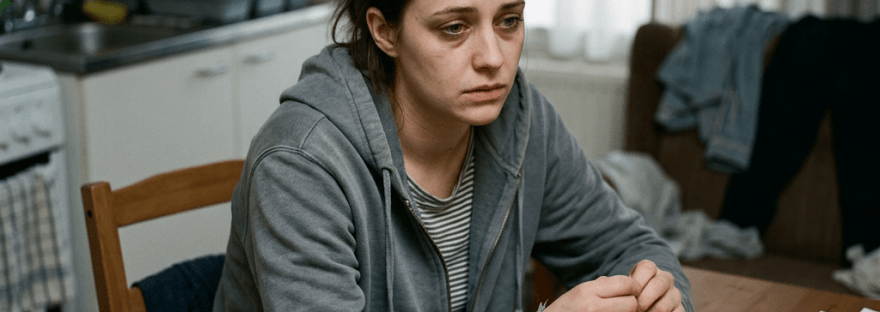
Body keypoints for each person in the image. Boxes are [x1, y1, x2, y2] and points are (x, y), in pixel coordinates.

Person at [212, 0, 694, 311]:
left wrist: (658, 293)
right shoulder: (300, 164)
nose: (493, 57)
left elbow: (630, 245)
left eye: (509, 20)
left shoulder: (522, 119)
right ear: (384, 32)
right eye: (455, 27)